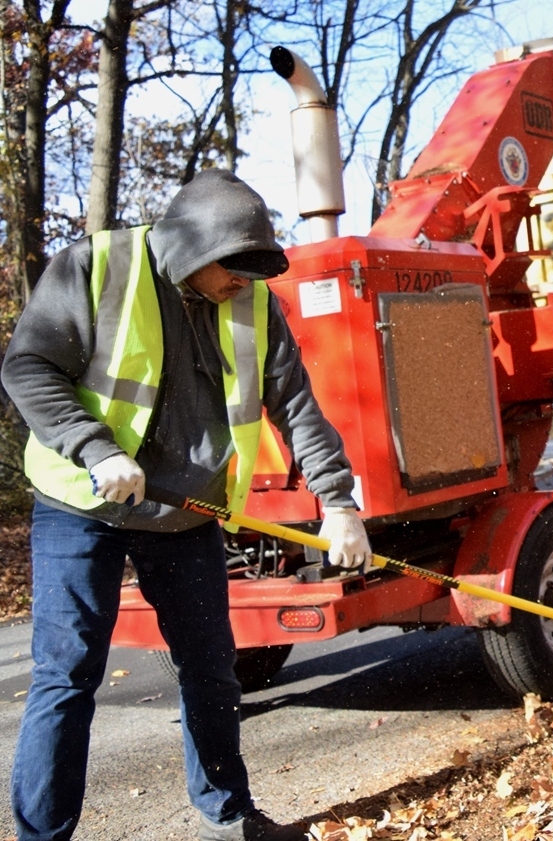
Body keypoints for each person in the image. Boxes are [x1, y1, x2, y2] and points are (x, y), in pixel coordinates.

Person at [1, 168, 371, 841]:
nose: (243, 285)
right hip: (83, 500)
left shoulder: (254, 304)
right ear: (193, 249)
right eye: (233, 269)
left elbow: (295, 405)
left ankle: (227, 816)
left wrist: (339, 503)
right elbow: (28, 367)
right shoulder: (94, 268)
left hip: (186, 512)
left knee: (210, 667)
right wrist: (95, 448)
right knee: (68, 672)